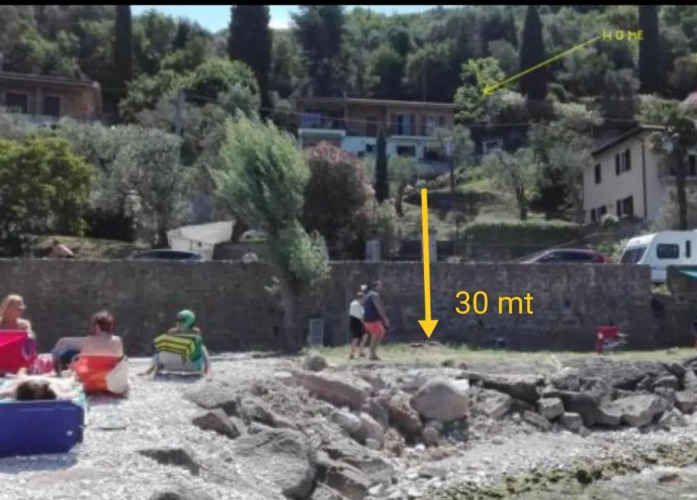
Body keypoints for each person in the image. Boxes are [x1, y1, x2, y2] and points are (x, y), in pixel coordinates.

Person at [139, 309, 211, 377]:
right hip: (192, 366)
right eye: (177, 320)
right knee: (201, 346)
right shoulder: (196, 333)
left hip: (169, 365)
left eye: (181, 320)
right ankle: (208, 371)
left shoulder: (172, 332)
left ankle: (149, 371)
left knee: (161, 347)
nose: (178, 322)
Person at [53, 311, 123, 375]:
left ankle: (56, 370)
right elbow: (120, 361)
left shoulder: (89, 341)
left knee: (65, 350)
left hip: (89, 378)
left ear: (97, 326)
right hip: (109, 376)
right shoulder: (118, 340)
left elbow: (82, 361)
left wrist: (73, 365)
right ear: (111, 326)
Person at [0, 368, 79, 401]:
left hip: (25, 383)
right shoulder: (52, 390)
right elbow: (68, 395)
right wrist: (73, 377)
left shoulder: (17, 391)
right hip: (60, 383)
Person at [362, 281, 390, 361]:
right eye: (380, 286)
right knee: (377, 334)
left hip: (367, 318)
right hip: (373, 318)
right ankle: (372, 354)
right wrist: (384, 318)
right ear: (376, 286)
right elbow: (378, 306)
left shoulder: (367, 295)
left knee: (378, 334)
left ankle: (372, 353)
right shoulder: (375, 295)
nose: (381, 287)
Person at [348, 287, 368, 359]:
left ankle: (360, 351)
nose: (363, 300)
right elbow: (360, 316)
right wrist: (364, 324)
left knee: (364, 335)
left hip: (356, 321)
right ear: (360, 298)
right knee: (356, 338)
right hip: (357, 322)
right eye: (363, 298)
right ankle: (352, 353)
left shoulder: (355, 304)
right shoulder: (357, 305)